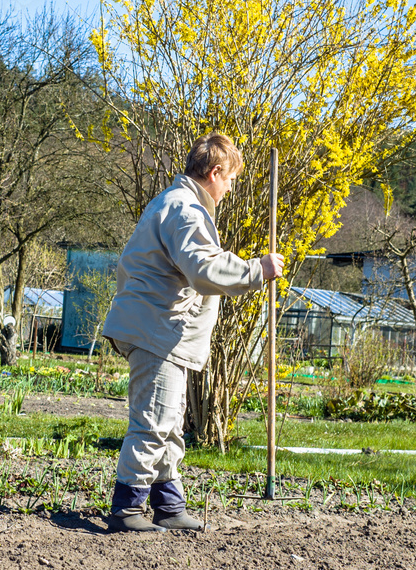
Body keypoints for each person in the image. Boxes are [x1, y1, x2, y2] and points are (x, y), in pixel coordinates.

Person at [102, 132, 284, 533]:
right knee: (154, 420)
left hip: (159, 328)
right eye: (231, 178)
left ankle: (168, 505)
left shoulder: (171, 203)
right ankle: (126, 508)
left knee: (169, 419)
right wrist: (258, 270)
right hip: (157, 330)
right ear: (215, 172)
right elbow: (204, 269)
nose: (231, 188)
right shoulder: (185, 210)